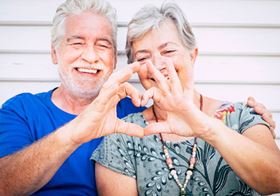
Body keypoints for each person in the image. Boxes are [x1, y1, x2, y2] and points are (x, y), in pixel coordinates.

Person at [91, 2, 280, 195]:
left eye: (168, 51)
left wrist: (206, 127)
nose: (157, 65)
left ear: (192, 55)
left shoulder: (241, 116)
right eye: (143, 58)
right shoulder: (122, 137)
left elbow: (276, 180)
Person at [0, 0, 147, 195]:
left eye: (102, 45)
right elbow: (4, 184)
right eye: (77, 43)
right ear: (54, 53)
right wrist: (76, 132)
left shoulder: (136, 115)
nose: (90, 56)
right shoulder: (22, 110)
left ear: (113, 60)